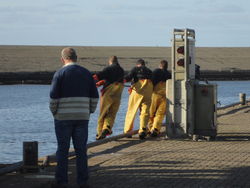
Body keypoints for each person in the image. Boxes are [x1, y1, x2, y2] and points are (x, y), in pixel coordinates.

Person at [49, 47, 99, 188]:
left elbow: (53, 97)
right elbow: (95, 96)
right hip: (82, 117)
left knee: (62, 150)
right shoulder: (86, 73)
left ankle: (62, 182)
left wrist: (55, 112)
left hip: (63, 117)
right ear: (76, 58)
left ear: (62, 59)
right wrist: (89, 110)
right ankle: (82, 182)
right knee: (81, 150)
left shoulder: (59, 74)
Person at [93, 56, 124, 140]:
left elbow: (98, 76)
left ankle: (99, 133)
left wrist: (89, 81)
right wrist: (102, 82)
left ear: (110, 62)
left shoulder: (108, 69)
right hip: (118, 93)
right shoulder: (121, 70)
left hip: (108, 93)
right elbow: (114, 79)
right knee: (112, 113)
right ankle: (107, 128)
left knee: (103, 113)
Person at [123, 59, 153, 139]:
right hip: (148, 90)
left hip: (137, 91)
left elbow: (128, 77)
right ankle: (143, 129)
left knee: (131, 110)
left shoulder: (135, 69)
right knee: (145, 111)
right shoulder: (149, 71)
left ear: (138, 64)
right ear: (144, 64)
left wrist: (121, 81)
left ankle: (128, 131)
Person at [148, 60, 171, 137]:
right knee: (160, 114)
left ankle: (149, 129)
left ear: (160, 65)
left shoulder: (156, 72)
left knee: (151, 113)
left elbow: (151, 82)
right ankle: (156, 129)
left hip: (155, 95)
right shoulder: (169, 74)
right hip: (165, 96)